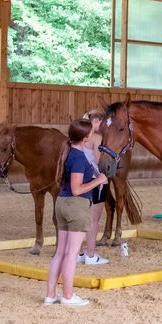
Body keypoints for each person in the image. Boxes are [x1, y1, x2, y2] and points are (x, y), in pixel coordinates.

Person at [45, 118, 107, 307]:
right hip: (76, 205)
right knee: (71, 254)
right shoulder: (79, 158)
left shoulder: (68, 152)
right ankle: (68, 296)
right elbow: (77, 188)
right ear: (86, 138)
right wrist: (99, 180)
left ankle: (50, 294)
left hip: (62, 204)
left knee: (60, 253)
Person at [78, 109, 109, 267]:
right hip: (96, 181)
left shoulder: (78, 137)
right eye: (101, 122)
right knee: (94, 220)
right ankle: (90, 253)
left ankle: (80, 252)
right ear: (96, 122)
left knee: (81, 218)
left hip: (79, 180)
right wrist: (104, 177)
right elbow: (100, 162)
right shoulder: (97, 137)